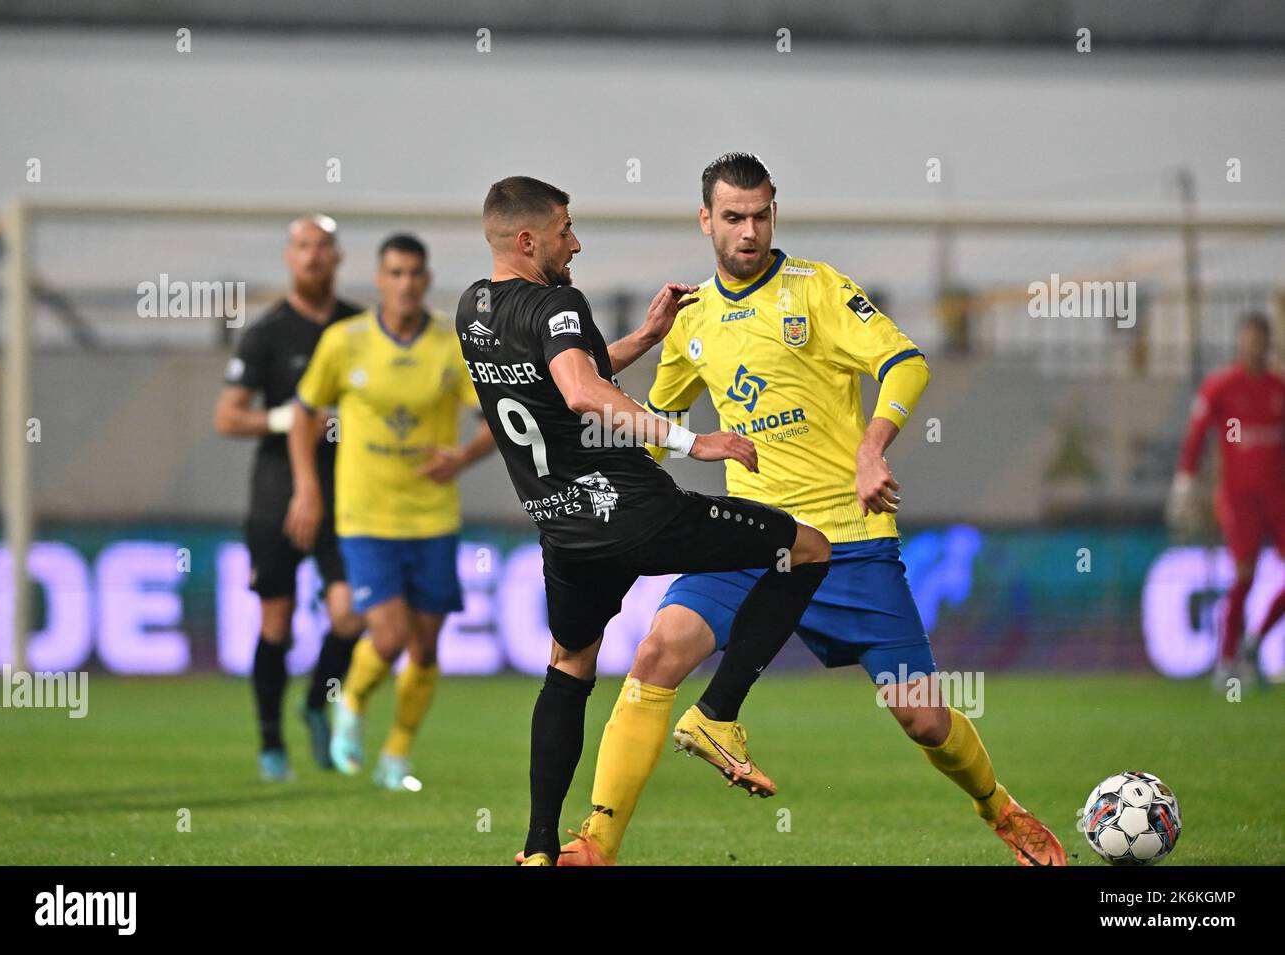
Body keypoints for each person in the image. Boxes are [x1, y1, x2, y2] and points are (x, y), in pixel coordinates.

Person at [562, 152, 1066, 866]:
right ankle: (595, 842)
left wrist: (873, 446)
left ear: (775, 213)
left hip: (850, 539)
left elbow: (907, 361)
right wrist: (614, 500)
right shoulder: (691, 320)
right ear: (705, 220)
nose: (749, 231)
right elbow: (662, 423)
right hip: (750, 538)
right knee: (657, 649)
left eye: (761, 215)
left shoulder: (817, 289)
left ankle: (1000, 807)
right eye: (733, 217)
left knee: (922, 718)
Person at [457, 175, 831, 865]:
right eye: (566, 230)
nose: (577, 243)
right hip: (638, 514)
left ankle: (539, 846)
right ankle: (718, 712)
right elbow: (580, 389)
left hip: (564, 530)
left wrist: (644, 338)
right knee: (807, 547)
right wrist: (696, 440)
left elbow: (566, 375)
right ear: (528, 238)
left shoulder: (473, 309)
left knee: (569, 664)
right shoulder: (556, 301)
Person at [288, 232, 495, 790]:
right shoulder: (344, 341)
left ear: (426, 281)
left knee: (425, 648)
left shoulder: (450, 347)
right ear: (379, 279)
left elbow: (497, 418)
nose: (405, 284)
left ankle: (397, 754)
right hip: (365, 517)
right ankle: (350, 702)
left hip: (432, 517)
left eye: (414, 274)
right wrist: (307, 488)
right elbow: (304, 413)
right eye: (395, 273)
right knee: (388, 636)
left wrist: (461, 458)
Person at [213, 214, 365, 781]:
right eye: (303, 247)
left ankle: (314, 704)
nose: (312, 257)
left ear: (338, 258)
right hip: (280, 496)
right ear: (288, 257)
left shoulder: (358, 327)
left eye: (323, 247)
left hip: (348, 494)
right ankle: (271, 742)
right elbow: (226, 416)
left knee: (351, 612)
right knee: (276, 623)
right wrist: (291, 417)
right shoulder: (267, 332)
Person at [1169, 312, 1285, 688]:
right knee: (1244, 577)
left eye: (1260, 338)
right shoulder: (1221, 387)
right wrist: (1186, 481)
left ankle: (1254, 643)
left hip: (1278, 496)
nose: (1254, 345)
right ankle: (1227, 659)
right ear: (1239, 342)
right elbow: (1197, 434)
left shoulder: (1278, 388)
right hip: (1239, 499)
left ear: (1269, 342)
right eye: (1248, 338)